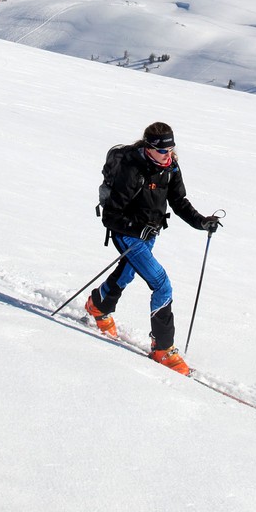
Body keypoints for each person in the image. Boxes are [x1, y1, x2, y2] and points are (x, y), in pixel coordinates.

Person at [86, 121, 221, 375]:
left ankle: (98, 305)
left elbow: (179, 201)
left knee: (126, 273)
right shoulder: (131, 169)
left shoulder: (171, 167)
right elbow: (111, 216)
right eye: (162, 150)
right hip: (127, 234)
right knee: (162, 284)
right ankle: (163, 348)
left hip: (149, 233)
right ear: (149, 148)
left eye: (170, 149)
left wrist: (202, 222)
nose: (167, 155)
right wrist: (137, 229)